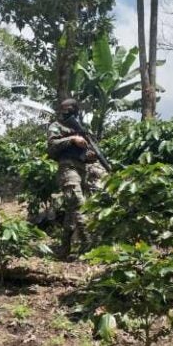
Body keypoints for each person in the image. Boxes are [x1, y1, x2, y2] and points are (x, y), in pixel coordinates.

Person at [47, 99, 105, 257]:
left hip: (81, 170)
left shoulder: (81, 130)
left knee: (72, 211)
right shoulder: (56, 126)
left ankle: (64, 249)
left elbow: (85, 156)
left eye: (68, 109)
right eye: (63, 109)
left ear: (75, 111)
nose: (65, 112)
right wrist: (72, 139)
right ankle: (89, 247)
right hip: (68, 168)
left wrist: (91, 155)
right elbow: (51, 147)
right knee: (79, 204)